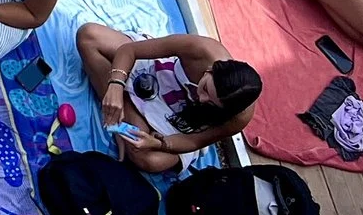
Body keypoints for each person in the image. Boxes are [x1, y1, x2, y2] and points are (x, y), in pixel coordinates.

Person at [74, 25, 262, 172]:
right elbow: (129, 51)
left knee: (148, 160)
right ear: (210, 69)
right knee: (88, 36)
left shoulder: (239, 117)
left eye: (212, 104)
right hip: (159, 74)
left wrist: (160, 143)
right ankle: (118, 107)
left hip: (181, 121)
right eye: (204, 88)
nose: (202, 98)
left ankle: (121, 111)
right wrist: (116, 84)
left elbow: (196, 141)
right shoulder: (201, 49)